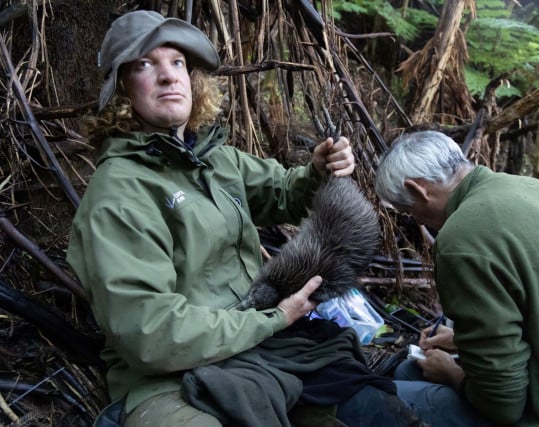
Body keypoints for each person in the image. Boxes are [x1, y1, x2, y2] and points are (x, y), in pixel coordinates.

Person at [67, 10, 424, 427]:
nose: (168, 76)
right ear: (122, 89)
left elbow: (284, 193)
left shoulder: (215, 159)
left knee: (379, 412)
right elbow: (151, 334)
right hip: (172, 378)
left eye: (177, 62)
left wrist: (320, 169)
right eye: (145, 65)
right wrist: (271, 318)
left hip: (265, 347)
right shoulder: (118, 194)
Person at [376, 130, 539, 426]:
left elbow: (502, 404)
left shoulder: (461, 239)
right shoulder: (531, 188)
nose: (416, 220)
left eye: (409, 210)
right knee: (408, 372)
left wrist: (452, 373)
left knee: (380, 401)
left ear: (418, 190)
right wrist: (464, 342)